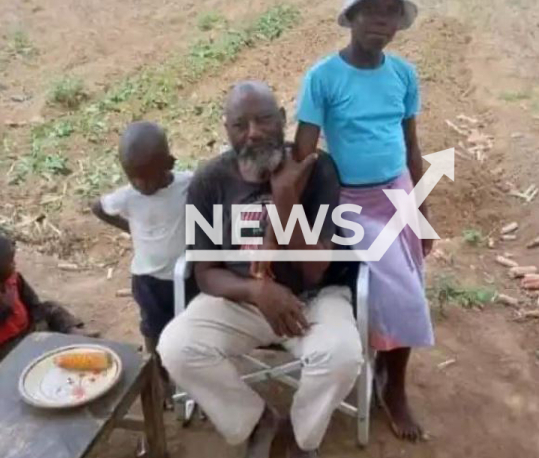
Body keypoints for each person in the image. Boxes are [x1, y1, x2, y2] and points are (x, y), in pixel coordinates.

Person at [158, 81, 363, 458]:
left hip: (313, 300)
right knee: (175, 347)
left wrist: (285, 195)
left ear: (283, 120)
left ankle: (300, 438)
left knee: (342, 355)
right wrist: (256, 291)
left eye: (264, 120)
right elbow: (205, 272)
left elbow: (315, 270)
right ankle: (256, 421)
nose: (252, 132)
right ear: (227, 130)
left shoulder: (316, 168)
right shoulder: (210, 180)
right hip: (240, 299)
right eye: (240, 124)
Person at [293, 0, 434, 442]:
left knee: (405, 286)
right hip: (350, 203)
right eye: (370, 9)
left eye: (391, 10)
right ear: (350, 16)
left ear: (399, 22)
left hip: (397, 194)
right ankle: (390, 387)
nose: (380, 19)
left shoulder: (403, 75)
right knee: (400, 294)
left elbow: (410, 146)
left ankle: (389, 376)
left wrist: (421, 209)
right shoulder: (323, 78)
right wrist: (306, 223)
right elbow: (304, 156)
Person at [92, 121, 196, 362]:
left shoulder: (187, 184)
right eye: (132, 178)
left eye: (146, 178)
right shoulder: (129, 196)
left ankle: (187, 367)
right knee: (153, 328)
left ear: (168, 164)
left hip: (186, 276)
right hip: (148, 281)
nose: (140, 185)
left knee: (189, 325)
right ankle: (156, 373)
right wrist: (131, 230)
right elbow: (99, 207)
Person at [0, 233, 95, 360]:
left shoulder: (15, 279)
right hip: (7, 346)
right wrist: (6, 306)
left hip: (29, 328)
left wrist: (39, 324)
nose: (15, 264)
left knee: (51, 307)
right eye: (10, 262)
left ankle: (73, 331)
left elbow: (33, 304)